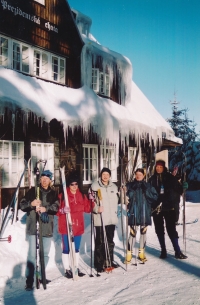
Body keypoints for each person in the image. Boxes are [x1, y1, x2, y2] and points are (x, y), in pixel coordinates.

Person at [20, 169, 59, 291]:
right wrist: (31, 204)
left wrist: (45, 208)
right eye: (42, 178)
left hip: (46, 226)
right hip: (33, 227)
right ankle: (30, 280)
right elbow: (22, 205)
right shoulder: (33, 191)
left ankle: (41, 275)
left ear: (50, 180)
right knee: (32, 255)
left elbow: (56, 207)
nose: (44, 180)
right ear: (40, 179)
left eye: (47, 178)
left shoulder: (53, 193)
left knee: (44, 254)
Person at [149, 160, 188, 259]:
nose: (158, 168)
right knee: (159, 230)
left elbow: (179, 190)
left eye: (160, 167)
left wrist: (183, 186)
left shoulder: (170, 178)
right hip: (157, 208)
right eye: (157, 167)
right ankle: (163, 250)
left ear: (164, 167)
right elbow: (148, 193)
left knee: (171, 230)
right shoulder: (152, 179)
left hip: (169, 207)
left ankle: (177, 251)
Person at [57, 173, 93, 278]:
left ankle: (76, 267)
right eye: (72, 184)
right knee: (67, 249)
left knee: (76, 248)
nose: (74, 186)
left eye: (76, 184)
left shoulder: (81, 195)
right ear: (68, 185)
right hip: (66, 226)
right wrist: (62, 210)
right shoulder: (63, 195)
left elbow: (87, 209)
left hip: (78, 226)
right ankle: (67, 269)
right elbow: (56, 211)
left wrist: (91, 200)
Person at [89, 167, 119, 273]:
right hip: (100, 219)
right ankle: (99, 263)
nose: (105, 176)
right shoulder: (94, 187)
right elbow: (90, 202)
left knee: (110, 241)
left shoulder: (114, 187)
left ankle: (109, 261)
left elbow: (119, 201)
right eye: (103, 174)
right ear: (100, 175)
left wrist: (124, 195)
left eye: (107, 174)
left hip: (111, 219)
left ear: (110, 176)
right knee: (100, 242)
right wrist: (96, 209)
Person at [125, 168, 158, 264]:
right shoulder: (129, 185)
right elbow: (125, 198)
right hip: (133, 212)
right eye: (137, 174)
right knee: (132, 233)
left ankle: (141, 253)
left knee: (143, 233)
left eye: (140, 174)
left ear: (144, 176)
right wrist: (125, 192)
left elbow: (155, 197)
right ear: (135, 175)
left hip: (144, 212)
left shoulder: (148, 186)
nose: (138, 176)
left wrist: (146, 191)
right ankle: (129, 254)